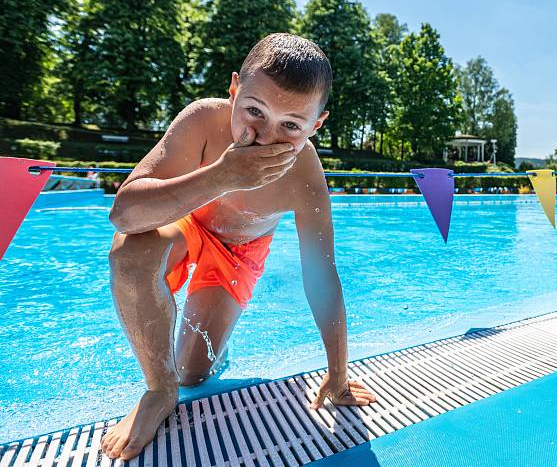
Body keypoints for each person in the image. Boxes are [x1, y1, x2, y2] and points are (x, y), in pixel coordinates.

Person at [102, 33, 377, 461]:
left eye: (291, 126)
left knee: (195, 372)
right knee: (130, 252)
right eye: (254, 112)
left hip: (241, 252)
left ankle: (207, 341)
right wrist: (220, 176)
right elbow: (124, 213)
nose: (266, 138)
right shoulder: (202, 121)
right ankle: (158, 390)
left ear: (315, 126)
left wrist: (338, 375)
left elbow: (321, 274)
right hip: (188, 222)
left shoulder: (306, 176)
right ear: (233, 92)